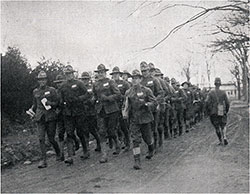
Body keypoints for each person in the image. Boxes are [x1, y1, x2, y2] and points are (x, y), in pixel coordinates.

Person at [123, 69, 157, 170]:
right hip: (134, 119)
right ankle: (137, 160)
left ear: (140, 79)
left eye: (136, 78)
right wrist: (124, 113)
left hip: (145, 118)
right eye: (133, 78)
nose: (134, 80)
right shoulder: (128, 92)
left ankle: (151, 148)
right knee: (135, 140)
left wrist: (146, 104)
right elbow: (125, 105)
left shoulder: (146, 90)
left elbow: (154, 102)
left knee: (147, 138)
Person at [29, 70, 60, 168]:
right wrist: (31, 110)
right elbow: (35, 104)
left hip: (50, 117)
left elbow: (57, 103)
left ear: (46, 80)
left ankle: (58, 152)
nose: (42, 81)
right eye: (40, 79)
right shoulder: (35, 91)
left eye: (43, 79)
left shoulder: (52, 90)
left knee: (51, 138)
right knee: (41, 138)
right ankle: (44, 160)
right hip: (40, 117)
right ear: (38, 80)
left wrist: (50, 104)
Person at [59, 65, 90, 165]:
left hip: (79, 111)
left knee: (80, 132)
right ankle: (70, 156)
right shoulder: (63, 86)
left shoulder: (79, 83)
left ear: (73, 73)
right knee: (69, 133)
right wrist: (62, 103)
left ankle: (85, 150)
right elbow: (60, 98)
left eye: (70, 73)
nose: (69, 75)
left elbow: (87, 94)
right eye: (67, 74)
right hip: (68, 113)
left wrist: (78, 99)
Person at [93, 64, 121, 163]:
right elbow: (94, 96)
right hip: (101, 111)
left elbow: (118, 94)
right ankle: (104, 154)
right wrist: (94, 100)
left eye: (102, 72)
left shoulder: (111, 82)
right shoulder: (95, 84)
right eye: (99, 72)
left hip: (112, 110)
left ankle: (117, 144)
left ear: (105, 73)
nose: (100, 74)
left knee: (111, 131)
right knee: (101, 132)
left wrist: (108, 98)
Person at [54, 74, 80, 161]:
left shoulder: (67, 90)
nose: (59, 84)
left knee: (69, 133)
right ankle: (62, 154)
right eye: (57, 83)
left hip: (68, 114)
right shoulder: (55, 92)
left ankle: (72, 150)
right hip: (59, 115)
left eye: (60, 82)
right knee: (60, 134)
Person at [140, 62, 163, 150]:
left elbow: (160, 93)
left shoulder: (154, 80)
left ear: (148, 70)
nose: (144, 73)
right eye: (142, 71)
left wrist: (155, 102)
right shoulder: (140, 82)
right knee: (146, 129)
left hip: (154, 107)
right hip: (144, 109)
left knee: (154, 127)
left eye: (145, 70)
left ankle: (156, 145)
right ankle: (151, 144)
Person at [80, 72, 101, 152]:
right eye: (83, 79)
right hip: (82, 111)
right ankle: (87, 148)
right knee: (84, 130)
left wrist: (90, 101)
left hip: (91, 111)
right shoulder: (80, 88)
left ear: (89, 79)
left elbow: (94, 97)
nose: (85, 80)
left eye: (86, 79)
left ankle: (99, 143)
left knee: (93, 129)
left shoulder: (92, 87)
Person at [110, 66, 131, 151]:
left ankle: (127, 142)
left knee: (123, 126)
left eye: (116, 74)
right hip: (113, 107)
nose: (115, 75)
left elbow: (129, 94)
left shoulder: (124, 83)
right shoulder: (110, 84)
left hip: (122, 106)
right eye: (114, 74)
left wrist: (122, 98)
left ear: (119, 74)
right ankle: (119, 142)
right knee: (114, 126)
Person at [205, 77, 230, 145]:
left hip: (213, 111)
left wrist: (208, 111)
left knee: (216, 126)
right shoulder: (223, 92)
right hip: (221, 109)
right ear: (220, 84)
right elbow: (227, 103)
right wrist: (226, 110)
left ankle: (220, 141)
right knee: (223, 125)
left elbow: (207, 102)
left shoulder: (211, 92)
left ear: (215, 84)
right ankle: (224, 137)